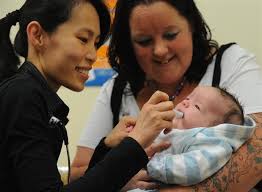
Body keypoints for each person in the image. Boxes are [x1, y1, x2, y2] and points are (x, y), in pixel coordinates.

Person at [71, 0, 262, 191]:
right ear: (129, 44)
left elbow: (259, 148)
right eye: (144, 41)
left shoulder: (229, 63)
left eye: (171, 35)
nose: (160, 50)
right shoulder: (116, 90)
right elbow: (77, 175)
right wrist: (116, 176)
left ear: (192, 27)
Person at [0, 0, 177, 191]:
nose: (93, 55)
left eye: (96, 43)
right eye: (83, 39)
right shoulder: (23, 95)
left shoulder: (27, 93)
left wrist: (107, 147)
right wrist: (137, 140)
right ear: (37, 35)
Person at [128, 86, 256, 192]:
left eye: (197, 106)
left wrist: (151, 164)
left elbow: (194, 167)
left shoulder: (211, 143)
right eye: (188, 98)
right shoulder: (168, 128)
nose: (185, 102)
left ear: (213, 129)